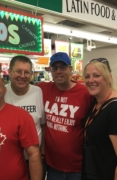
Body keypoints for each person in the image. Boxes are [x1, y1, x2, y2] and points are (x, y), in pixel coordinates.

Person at [37, 52, 91, 180]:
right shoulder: (43, 89)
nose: (59, 71)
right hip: (52, 166)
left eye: (63, 67)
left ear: (70, 69)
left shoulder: (85, 93)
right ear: (50, 70)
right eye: (55, 68)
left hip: (77, 167)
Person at [82, 58, 117, 180]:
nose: (91, 80)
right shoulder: (96, 102)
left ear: (108, 78)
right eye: (87, 76)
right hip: (93, 171)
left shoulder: (114, 109)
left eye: (96, 75)